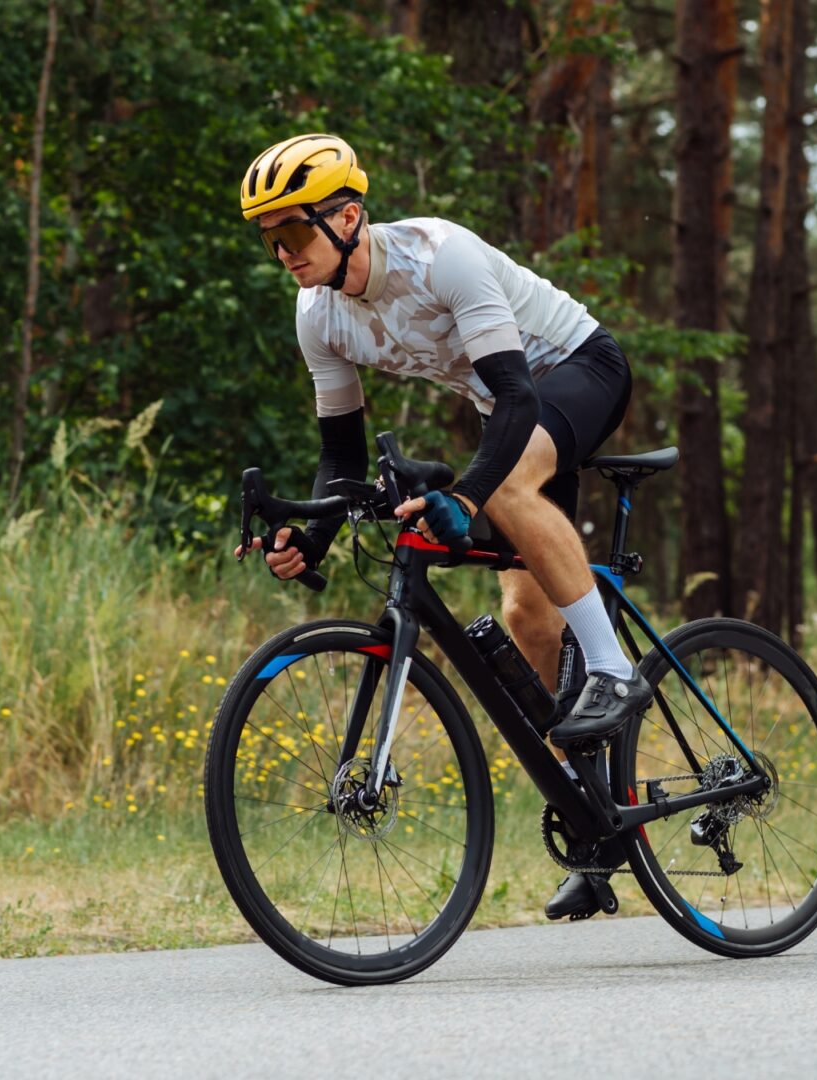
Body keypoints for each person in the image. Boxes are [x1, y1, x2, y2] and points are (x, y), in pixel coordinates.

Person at [233, 133, 649, 920]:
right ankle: (598, 828)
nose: (282, 254)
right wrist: (308, 533)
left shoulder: (440, 257)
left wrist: (467, 493)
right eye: (270, 239)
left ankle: (614, 667)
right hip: (508, 409)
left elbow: (519, 400)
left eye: (292, 233)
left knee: (504, 491)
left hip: (576, 370)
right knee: (528, 617)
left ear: (348, 217)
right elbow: (342, 460)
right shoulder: (316, 316)